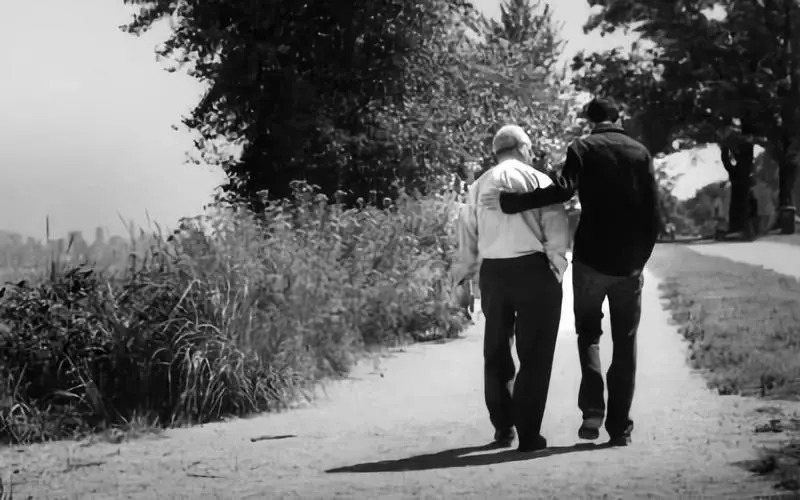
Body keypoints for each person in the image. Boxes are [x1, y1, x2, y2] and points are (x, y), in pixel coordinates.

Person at [480, 98, 661, 447]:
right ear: (618, 117)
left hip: (591, 260)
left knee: (588, 335)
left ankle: (592, 410)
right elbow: (654, 213)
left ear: (589, 120)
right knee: (625, 342)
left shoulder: (583, 147)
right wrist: (640, 258)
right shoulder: (641, 153)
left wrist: (514, 203)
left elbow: (562, 189)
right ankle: (619, 427)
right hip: (629, 264)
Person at [452, 125, 569, 452]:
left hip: (494, 272)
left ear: (496, 151)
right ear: (523, 147)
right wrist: (556, 268)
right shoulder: (539, 180)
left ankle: (503, 427)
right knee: (535, 353)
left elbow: (467, 234)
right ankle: (529, 433)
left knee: (497, 349)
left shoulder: (478, 186)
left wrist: (466, 277)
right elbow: (556, 231)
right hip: (533, 268)